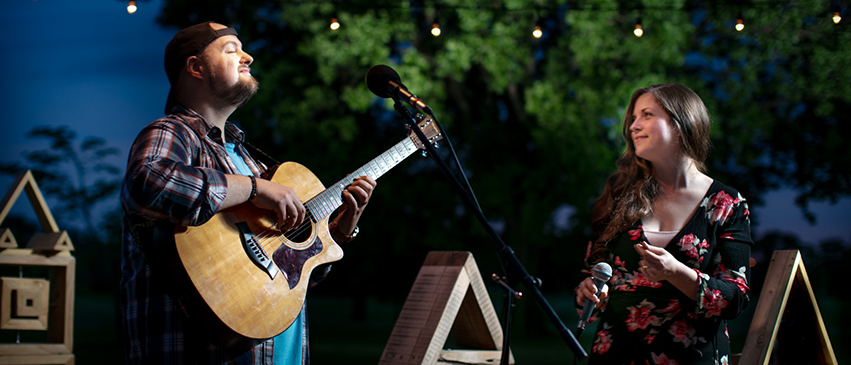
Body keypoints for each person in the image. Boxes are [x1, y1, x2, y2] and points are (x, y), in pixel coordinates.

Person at [119, 22, 376, 364]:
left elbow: (290, 275)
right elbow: (148, 183)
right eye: (231, 50)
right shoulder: (173, 133)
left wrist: (338, 231)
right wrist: (254, 189)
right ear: (195, 67)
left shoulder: (251, 160)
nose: (248, 57)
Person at [574, 83, 753, 364]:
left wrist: (677, 273)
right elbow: (593, 271)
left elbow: (736, 298)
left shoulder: (726, 202)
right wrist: (589, 291)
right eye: (633, 118)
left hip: (691, 357)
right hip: (615, 354)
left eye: (647, 115)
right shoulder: (619, 192)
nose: (634, 126)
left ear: (682, 123)